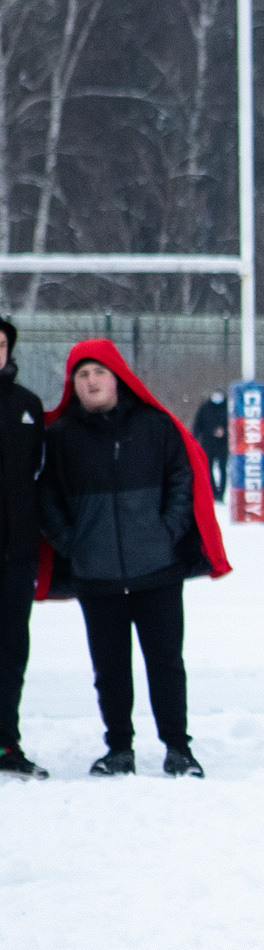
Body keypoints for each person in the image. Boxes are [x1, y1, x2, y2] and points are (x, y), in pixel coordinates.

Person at [36, 339, 230, 775]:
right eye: (82, 376)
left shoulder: (154, 426)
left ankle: (178, 748)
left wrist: (166, 531)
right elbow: (45, 498)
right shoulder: (61, 436)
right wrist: (73, 543)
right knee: (110, 668)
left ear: (117, 376)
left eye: (98, 372)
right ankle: (119, 748)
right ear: (74, 385)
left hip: (157, 569)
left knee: (165, 662)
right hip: (96, 573)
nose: (91, 382)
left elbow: (182, 479)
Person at [1, 316, 47, 776]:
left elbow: (39, 475)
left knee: (11, 649)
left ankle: (5, 744)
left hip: (16, 552)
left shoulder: (27, 405)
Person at [190, 391, 229, 502]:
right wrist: (194, 438)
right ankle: (213, 491)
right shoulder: (205, 407)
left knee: (222, 468)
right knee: (208, 468)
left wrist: (224, 432)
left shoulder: (228, 408)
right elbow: (198, 424)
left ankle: (221, 493)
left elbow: (232, 424)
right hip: (208, 443)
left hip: (222, 444)